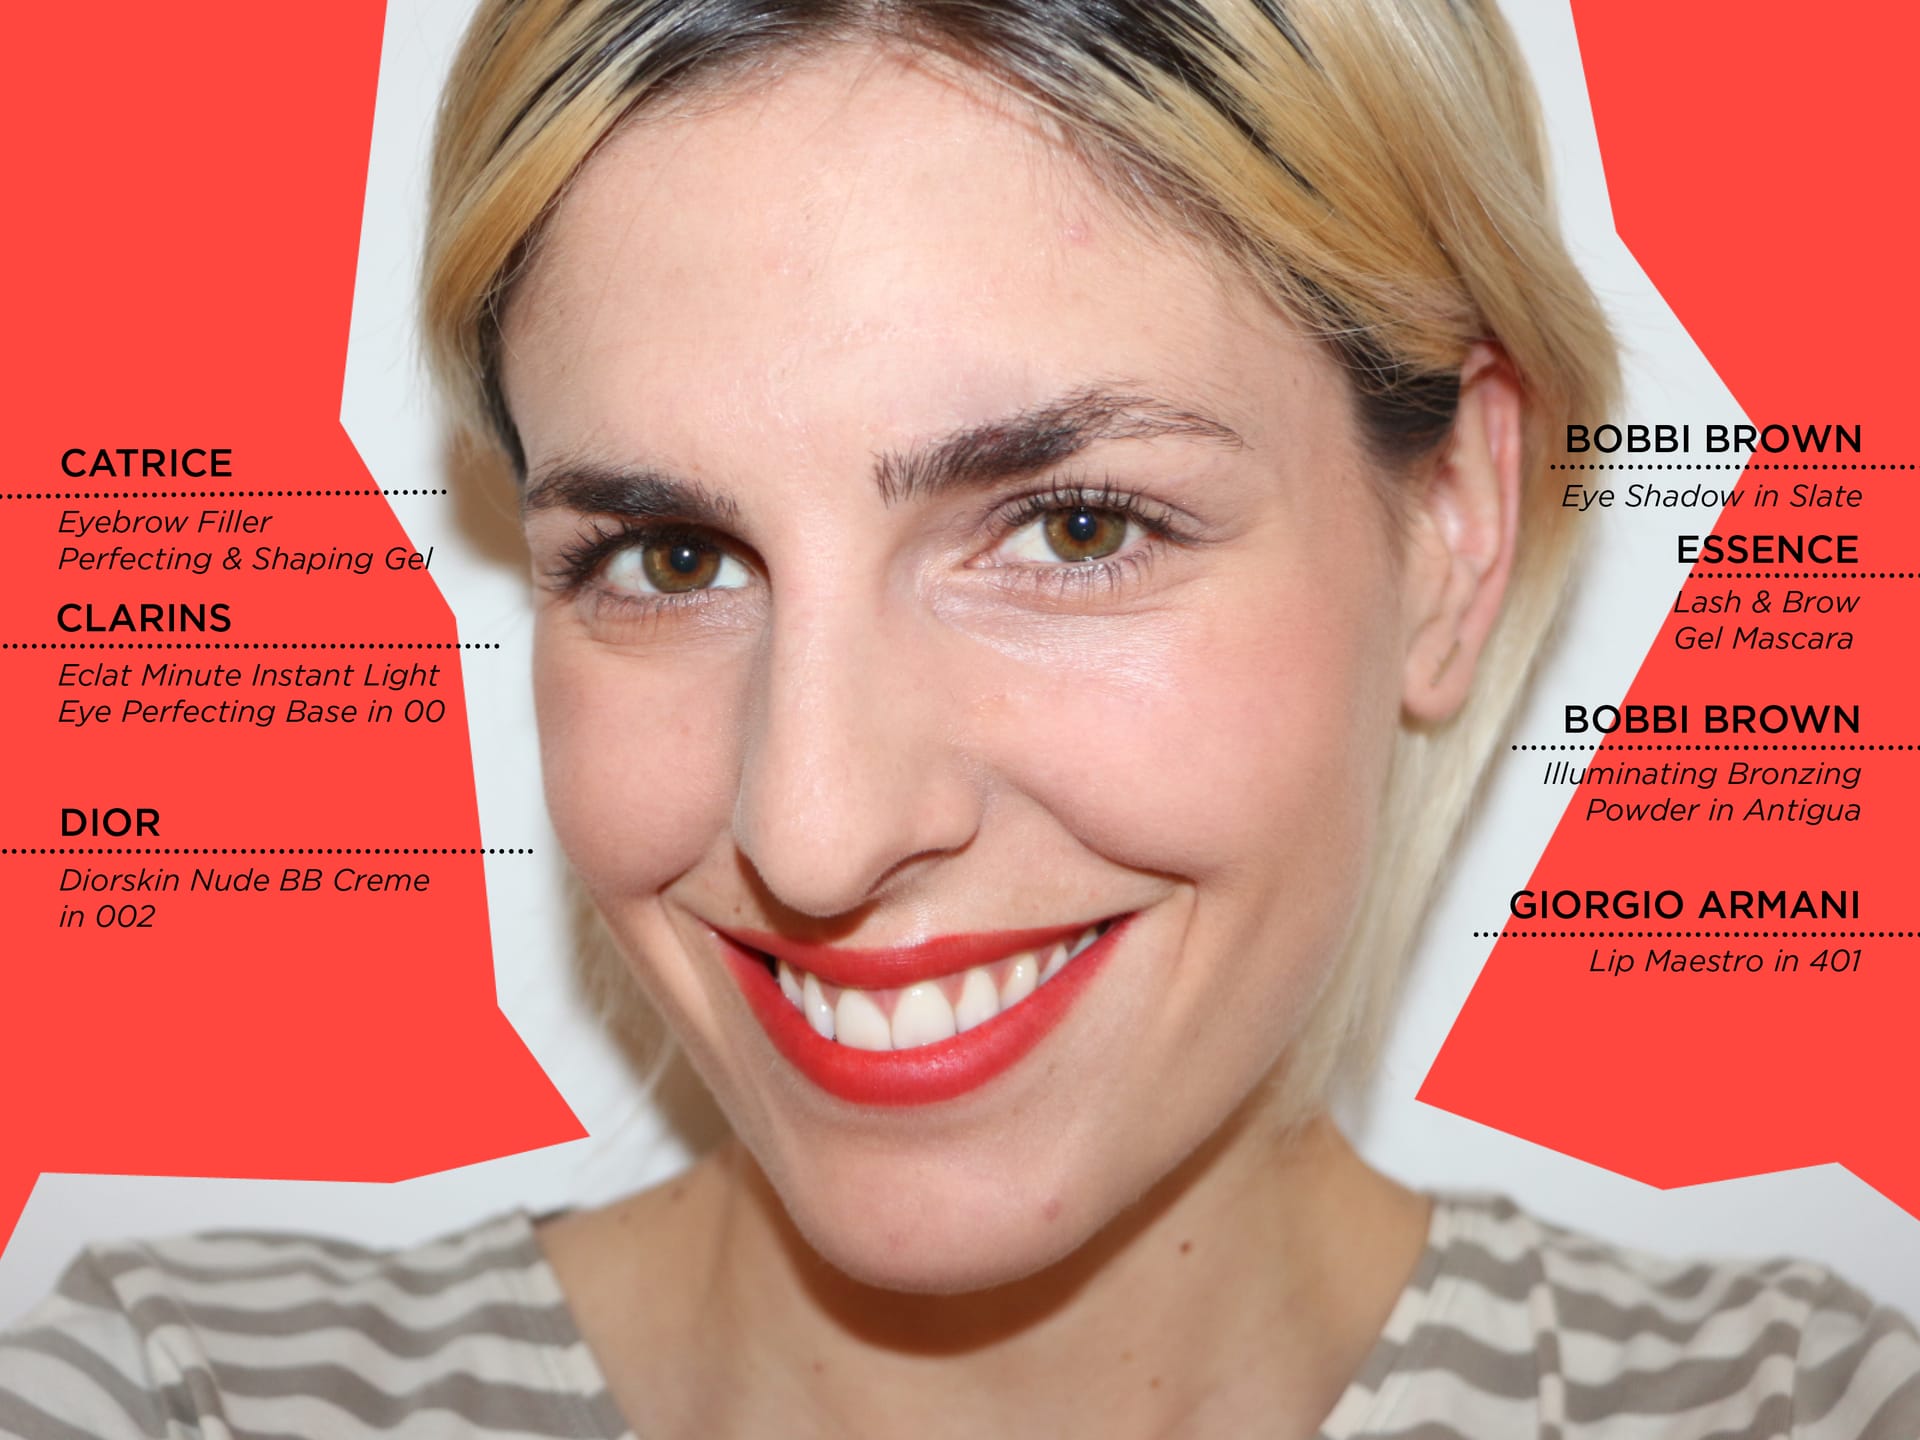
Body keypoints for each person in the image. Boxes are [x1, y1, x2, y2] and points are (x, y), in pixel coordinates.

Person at [3, 1, 1916, 1436]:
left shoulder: (1802, 1408)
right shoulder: (172, 1394)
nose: (814, 823)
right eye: (674, 555)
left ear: (1452, 527)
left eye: (1074, 528)